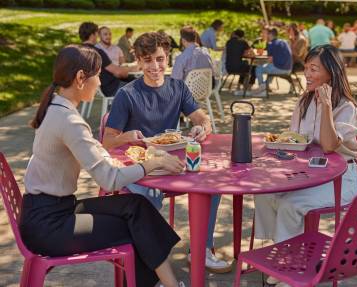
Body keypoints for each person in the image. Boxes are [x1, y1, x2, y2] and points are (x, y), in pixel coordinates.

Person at [19, 44, 186, 287]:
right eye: (97, 75)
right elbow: (109, 180)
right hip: (49, 226)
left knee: (136, 206)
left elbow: (91, 151)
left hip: (49, 211)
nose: (99, 82)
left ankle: (164, 283)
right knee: (134, 227)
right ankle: (168, 284)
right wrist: (153, 163)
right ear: (80, 78)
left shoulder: (57, 107)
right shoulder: (68, 120)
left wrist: (123, 139)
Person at [103, 32, 232, 273]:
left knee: (212, 188)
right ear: (139, 61)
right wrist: (126, 137)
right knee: (149, 198)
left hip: (174, 164)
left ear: (168, 57)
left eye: (160, 59)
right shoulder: (127, 94)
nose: (155, 66)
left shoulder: (177, 87)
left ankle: (202, 251)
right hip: (144, 170)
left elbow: (202, 118)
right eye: (148, 60)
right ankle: (151, 265)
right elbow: (107, 141)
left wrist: (201, 127)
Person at [254, 44, 357, 287]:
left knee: (290, 205)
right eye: (307, 67)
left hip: (341, 179)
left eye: (314, 69)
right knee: (263, 195)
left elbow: (328, 146)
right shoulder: (304, 102)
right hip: (309, 174)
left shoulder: (346, 108)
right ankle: (283, 254)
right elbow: (295, 138)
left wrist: (325, 106)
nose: (307, 74)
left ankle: (293, 266)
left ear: (331, 73)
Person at [79, 22, 135, 98]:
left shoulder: (77, 51)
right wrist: (134, 68)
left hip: (89, 89)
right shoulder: (96, 52)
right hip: (110, 89)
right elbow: (118, 72)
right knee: (141, 87)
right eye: (96, 34)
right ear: (93, 35)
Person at [254, 27, 292, 97]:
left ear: (270, 35)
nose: (264, 35)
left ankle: (262, 89)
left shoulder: (271, 43)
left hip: (280, 69)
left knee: (258, 68)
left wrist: (261, 62)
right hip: (289, 69)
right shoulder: (284, 41)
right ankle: (264, 86)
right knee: (270, 67)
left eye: (266, 34)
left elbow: (270, 60)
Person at [224, 29, 256, 95]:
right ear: (242, 36)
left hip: (228, 67)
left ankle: (238, 86)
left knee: (244, 64)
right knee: (253, 68)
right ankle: (249, 87)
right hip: (238, 67)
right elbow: (252, 54)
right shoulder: (243, 42)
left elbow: (233, 53)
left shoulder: (228, 42)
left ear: (234, 34)